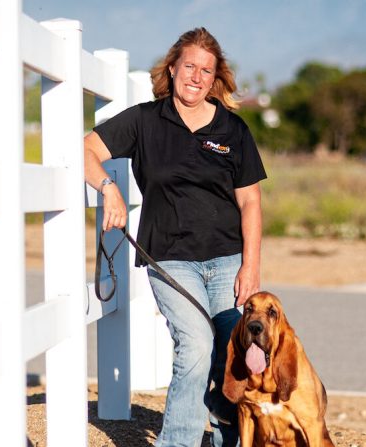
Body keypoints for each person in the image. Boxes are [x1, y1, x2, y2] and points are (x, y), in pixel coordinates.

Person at [83, 27, 266, 447]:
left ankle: (229, 438)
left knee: (230, 354)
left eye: (207, 70)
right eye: (190, 66)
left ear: (215, 77)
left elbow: (251, 204)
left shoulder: (233, 130)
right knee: (197, 346)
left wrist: (250, 267)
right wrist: (107, 187)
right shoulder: (146, 120)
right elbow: (87, 149)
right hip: (170, 257)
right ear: (172, 67)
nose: (197, 77)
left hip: (227, 261)